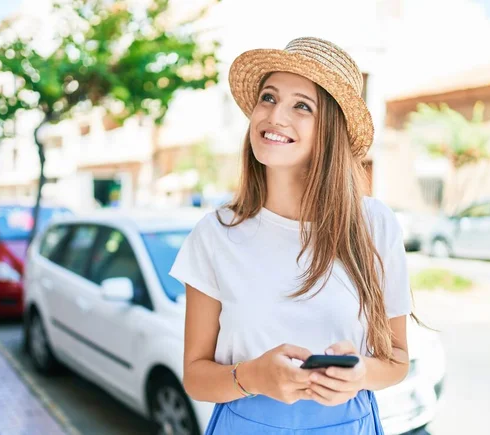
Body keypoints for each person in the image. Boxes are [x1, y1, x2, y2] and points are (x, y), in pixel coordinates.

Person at [169, 36, 412, 434]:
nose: (275, 115)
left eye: (302, 105)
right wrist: (253, 377)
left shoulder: (375, 224)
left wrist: (361, 373)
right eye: (268, 97)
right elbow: (196, 376)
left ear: (330, 130)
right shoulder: (213, 234)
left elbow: (398, 361)